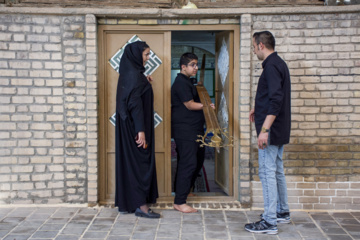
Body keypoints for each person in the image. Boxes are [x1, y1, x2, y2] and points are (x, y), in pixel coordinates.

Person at [245, 31, 291, 234]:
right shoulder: (278, 63)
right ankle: (282, 212)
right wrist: (258, 106)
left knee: (267, 172)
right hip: (279, 128)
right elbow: (273, 97)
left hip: (270, 131)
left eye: (254, 47)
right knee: (277, 170)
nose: (254, 50)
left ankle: (270, 221)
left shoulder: (271, 66)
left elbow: (276, 100)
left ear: (261, 45)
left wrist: (264, 130)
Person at [114, 41, 160, 218]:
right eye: (146, 54)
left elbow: (133, 96)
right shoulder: (135, 76)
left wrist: (145, 83)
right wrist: (141, 131)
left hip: (130, 126)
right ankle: (142, 207)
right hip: (136, 128)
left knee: (134, 164)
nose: (148, 58)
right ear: (136, 55)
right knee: (141, 164)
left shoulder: (130, 74)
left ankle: (134, 203)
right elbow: (135, 105)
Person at [171, 52, 214, 213]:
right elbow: (189, 105)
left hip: (194, 129)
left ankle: (183, 191)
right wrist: (207, 106)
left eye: (196, 64)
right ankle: (179, 202)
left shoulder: (188, 81)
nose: (195, 67)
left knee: (196, 160)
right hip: (185, 130)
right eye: (192, 65)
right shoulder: (180, 83)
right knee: (188, 163)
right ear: (183, 67)